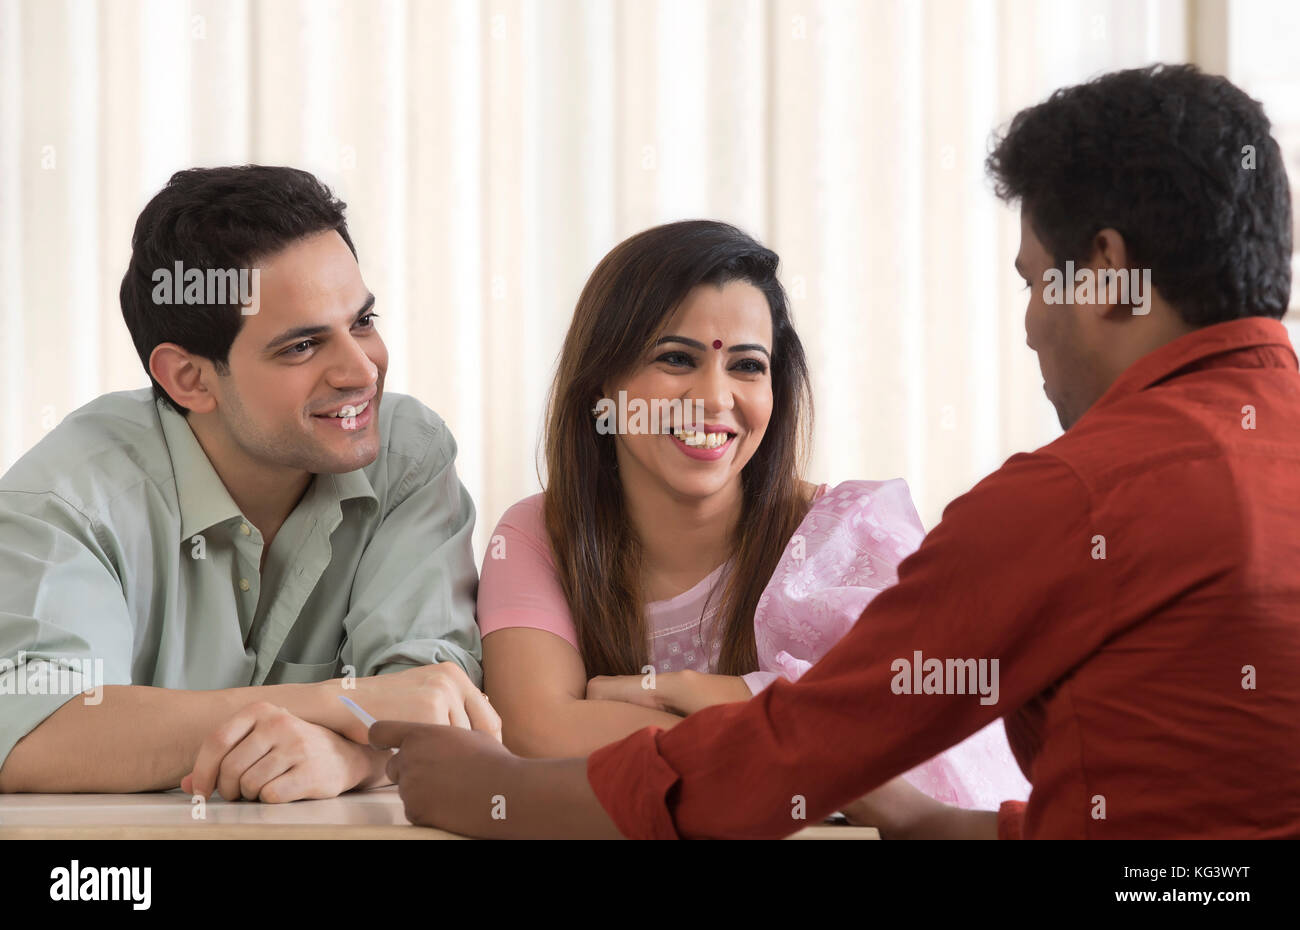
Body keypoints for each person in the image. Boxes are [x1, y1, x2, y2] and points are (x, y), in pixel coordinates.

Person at [369, 64, 1300, 839]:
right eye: (674, 360)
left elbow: (782, 762)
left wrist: (484, 795)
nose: (1029, 329)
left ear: (1106, 271)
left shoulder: (1070, 500)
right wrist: (932, 823)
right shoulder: (537, 529)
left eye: (1033, 283)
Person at [475, 219, 1028, 811]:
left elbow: (909, 731)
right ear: (601, 387)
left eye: (746, 366)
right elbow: (537, 733)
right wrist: (786, 723)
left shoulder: (849, 535)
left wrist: (694, 691)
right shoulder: (537, 537)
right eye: (676, 359)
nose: (715, 400)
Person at [0, 165, 499, 802]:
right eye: (301, 347)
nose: (360, 370)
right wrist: (344, 703)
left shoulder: (407, 453)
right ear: (190, 379)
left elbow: (433, 697)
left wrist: (350, 758)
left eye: (363, 322)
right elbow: (35, 733)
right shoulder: (67, 500)